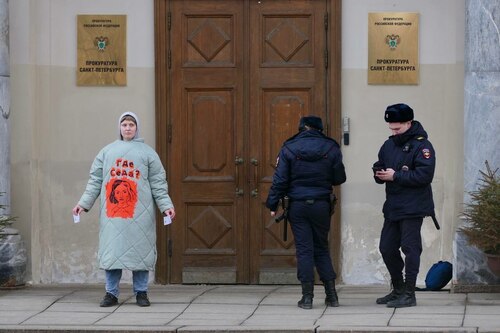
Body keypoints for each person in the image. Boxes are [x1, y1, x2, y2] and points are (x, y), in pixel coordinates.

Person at [72, 111, 175, 307]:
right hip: (113, 215)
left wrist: (166, 206)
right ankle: (111, 293)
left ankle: (141, 293)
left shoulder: (148, 153)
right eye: (125, 125)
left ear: (137, 128)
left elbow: (158, 183)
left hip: (140, 213)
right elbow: (95, 181)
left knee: (141, 252)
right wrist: (83, 204)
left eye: (131, 125)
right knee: (113, 253)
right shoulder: (106, 152)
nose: (128, 128)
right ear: (119, 128)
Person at [266, 116, 346, 309]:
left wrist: (272, 203)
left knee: (304, 249)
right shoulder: (331, 147)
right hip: (321, 205)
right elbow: (339, 178)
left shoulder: (289, 148)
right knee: (321, 248)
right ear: (320, 129)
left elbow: (280, 180)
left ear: (301, 128)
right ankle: (332, 296)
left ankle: (307, 298)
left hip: (298, 205)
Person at [372, 103, 436, 308]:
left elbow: (424, 175)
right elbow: (379, 164)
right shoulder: (388, 145)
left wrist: (395, 175)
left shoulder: (423, 146)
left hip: (414, 205)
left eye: (397, 128)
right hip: (393, 206)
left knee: (410, 248)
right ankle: (398, 289)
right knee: (386, 248)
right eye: (391, 128)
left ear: (409, 123)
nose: (393, 131)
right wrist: (379, 173)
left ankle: (409, 293)